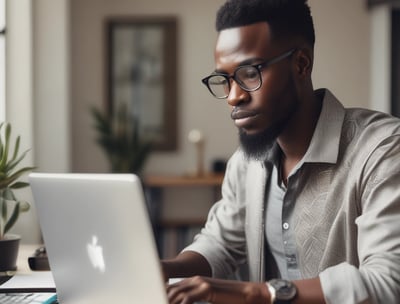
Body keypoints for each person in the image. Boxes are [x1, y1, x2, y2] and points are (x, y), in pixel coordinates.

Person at [162, 0, 400, 303]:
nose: (233, 97)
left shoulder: (383, 151)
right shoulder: (244, 163)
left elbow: (389, 281)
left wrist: (257, 292)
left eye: (249, 72)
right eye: (225, 79)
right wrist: (165, 269)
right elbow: (220, 243)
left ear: (301, 63)